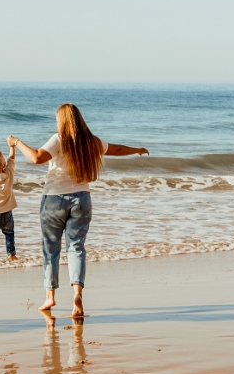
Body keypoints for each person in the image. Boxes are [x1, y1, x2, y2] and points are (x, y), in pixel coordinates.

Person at [9, 103, 148, 317]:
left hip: (54, 199)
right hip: (82, 199)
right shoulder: (91, 142)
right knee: (76, 247)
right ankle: (77, 295)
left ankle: (50, 296)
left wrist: (16, 142)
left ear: (62, 121)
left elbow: (36, 158)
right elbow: (117, 150)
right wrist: (136, 150)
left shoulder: (59, 139)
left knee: (51, 249)